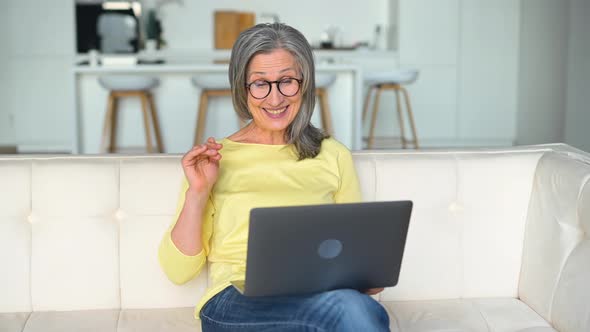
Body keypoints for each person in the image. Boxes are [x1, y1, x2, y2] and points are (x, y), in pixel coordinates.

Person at [158, 22, 390, 331]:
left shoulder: (333, 155)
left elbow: (356, 260)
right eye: (260, 83)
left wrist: (369, 277)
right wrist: (198, 192)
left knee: (355, 306)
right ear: (242, 87)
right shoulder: (213, 159)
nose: (275, 98)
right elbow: (178, 271)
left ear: (304, 83)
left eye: (287, 81)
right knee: (349, 310)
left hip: (317, 298)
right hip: (235, 303)